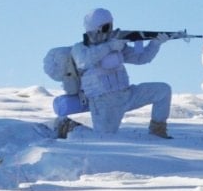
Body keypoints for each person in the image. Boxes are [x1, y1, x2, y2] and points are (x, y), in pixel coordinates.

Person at [70, 8, 173, 138]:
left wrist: (154, 44)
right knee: (103, 138)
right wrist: (109, 47)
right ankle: (68, 128)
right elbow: (83, 62)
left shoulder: (117, 45)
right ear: (95, 28)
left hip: (127, 95)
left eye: (110, 26)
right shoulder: (80, 48)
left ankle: (158, 131)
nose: (110, 30)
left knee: (163, 90)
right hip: (104, 103)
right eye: (106, 27)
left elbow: (141, 58)